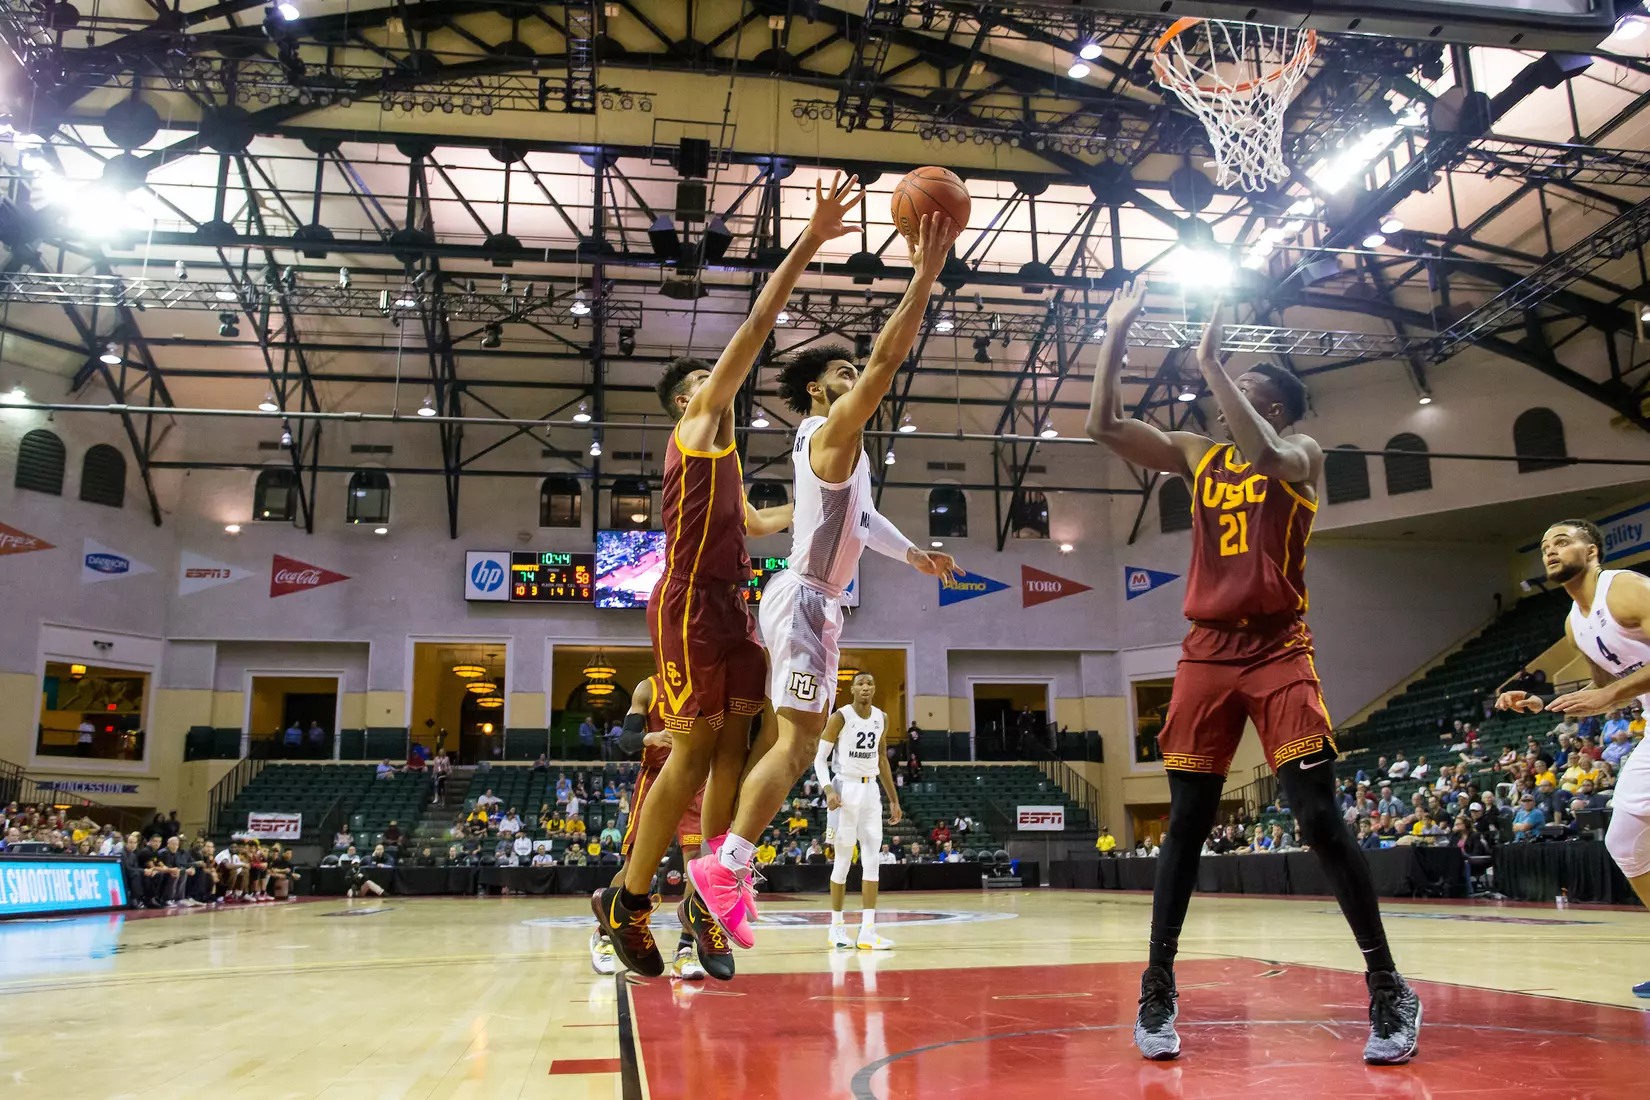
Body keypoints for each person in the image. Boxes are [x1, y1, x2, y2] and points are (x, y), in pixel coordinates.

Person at [1086, 283, 1418, 1064]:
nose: (1229, 394)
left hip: (1276, 646)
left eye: (1253, 388)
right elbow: (1103, 424)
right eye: (1233, 383)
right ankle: (1157, 986)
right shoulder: (1198, 456)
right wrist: (1115, 334)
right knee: (1187, 822)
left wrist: (1209, 359)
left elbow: (1266, 449)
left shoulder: (1301, 456)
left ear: (1277, 405)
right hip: (1206, 651)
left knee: (1316, 814)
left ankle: (1388, 985)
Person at [592, 175, 861, 980]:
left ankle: (706, 900)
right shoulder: (700, 421)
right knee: (691, 747)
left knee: (733, 756)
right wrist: (809, 243)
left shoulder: (728, 459)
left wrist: (820, 518)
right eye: (705, 380)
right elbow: (755, 327)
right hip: (687, 608)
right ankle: (627, 900)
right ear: (686, 400)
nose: (722, 383)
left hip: (735, 607)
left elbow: (755, 524)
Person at [668, 210, 958, 958]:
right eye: (840, 373)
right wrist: (924, 276)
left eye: (851, 371)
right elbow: (890, 361)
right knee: (797, 747)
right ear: (817, 392)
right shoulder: (833, 434)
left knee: (786, 744)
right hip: (803, 602)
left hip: (814, 603)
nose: (855, 375)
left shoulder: (835, 452)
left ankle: (723, 864)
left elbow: (861, 520)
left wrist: (913, 556)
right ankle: (723, 865)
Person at [1496, 519, 1650, 999]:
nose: (1551, 551)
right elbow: (1606, 690)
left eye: (1562, 541)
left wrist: (1609, 697)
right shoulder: (1575, 622)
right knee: (1624, 843)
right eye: (1544, 546)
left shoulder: (1624, 588)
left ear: (1594, 549)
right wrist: (1545, 702)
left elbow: (1615, 692)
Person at [592, 672, 714, 981]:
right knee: (634, 865)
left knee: (696, 866)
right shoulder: (648, 687)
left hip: (696, 781)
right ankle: (604, 935)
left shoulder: (707, 683)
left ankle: (685, 949)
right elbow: (626, 740)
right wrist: (650, 737)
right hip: (655, 776)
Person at [816, 672, 903, 950]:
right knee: (842, 859)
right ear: (852, 689)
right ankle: (836, 927)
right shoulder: (840, 717)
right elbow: (819, 759)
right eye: (861, 684)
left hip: (870, 791)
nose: (866, 687)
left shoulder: (881, 717)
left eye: (870, 683)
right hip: (845, 788)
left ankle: (867, 930)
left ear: (874, 688)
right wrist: (829, 789)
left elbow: (882, 759)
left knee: (872, 859)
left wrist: (894, 799)